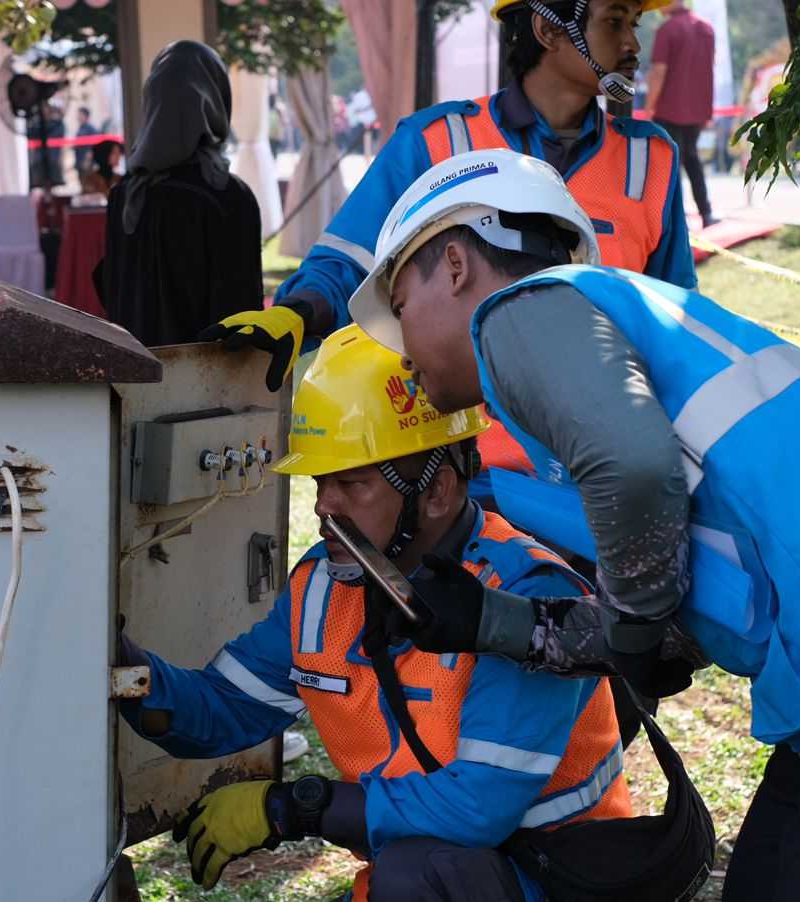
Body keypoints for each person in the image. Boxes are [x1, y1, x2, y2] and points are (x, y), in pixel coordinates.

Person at [343, 147, 800, 902]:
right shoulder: (599, 348)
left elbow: (633, 480)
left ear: (457, 265)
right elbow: (670, 618)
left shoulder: (521, 312)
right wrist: (489, 622)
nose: (402, 354)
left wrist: (630, 626)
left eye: (400, 309)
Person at [118, 325, 631, 900]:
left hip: (561, 879)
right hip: (432, 874)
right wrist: (123, 670)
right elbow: (220, 711)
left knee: (414, 875)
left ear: (436, 491)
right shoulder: (323, 586)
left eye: (353, 484)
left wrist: (294, 807)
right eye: (319, 482)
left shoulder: (526, 600)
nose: (323, 507)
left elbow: (474, 810)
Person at [201, 0, 692, 502]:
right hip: (458, 476)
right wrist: (298, 314)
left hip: (600, 477)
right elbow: (351, 258)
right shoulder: (437, 141)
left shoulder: (648, 160)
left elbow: (671, 321)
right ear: (548, 29)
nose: (633, 44)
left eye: (635, 24)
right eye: (614, 22)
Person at [94, 41, 263, 346]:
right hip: (209, 383)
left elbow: (113, 293)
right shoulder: (227, 196)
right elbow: (242, 315)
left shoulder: (123, 195)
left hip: (134, 380)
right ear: (216, 101)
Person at [646, 1, 717, 227]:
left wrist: (650, 105)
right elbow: (709, 68)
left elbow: (659, 71)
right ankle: (706, 213)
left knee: (670, 163)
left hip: (669, 107)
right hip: (697, 107)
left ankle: (676, 219)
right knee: (692, 158)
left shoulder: (667, 30)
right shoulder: (706, 28)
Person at [72, 105, 98, 173]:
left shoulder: (91, 129)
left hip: (87, 164)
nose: (78, 117)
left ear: (85, 116)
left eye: (80, 114)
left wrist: (87, 161)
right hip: (79, 162)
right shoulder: (80, 129)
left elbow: (93, 147)